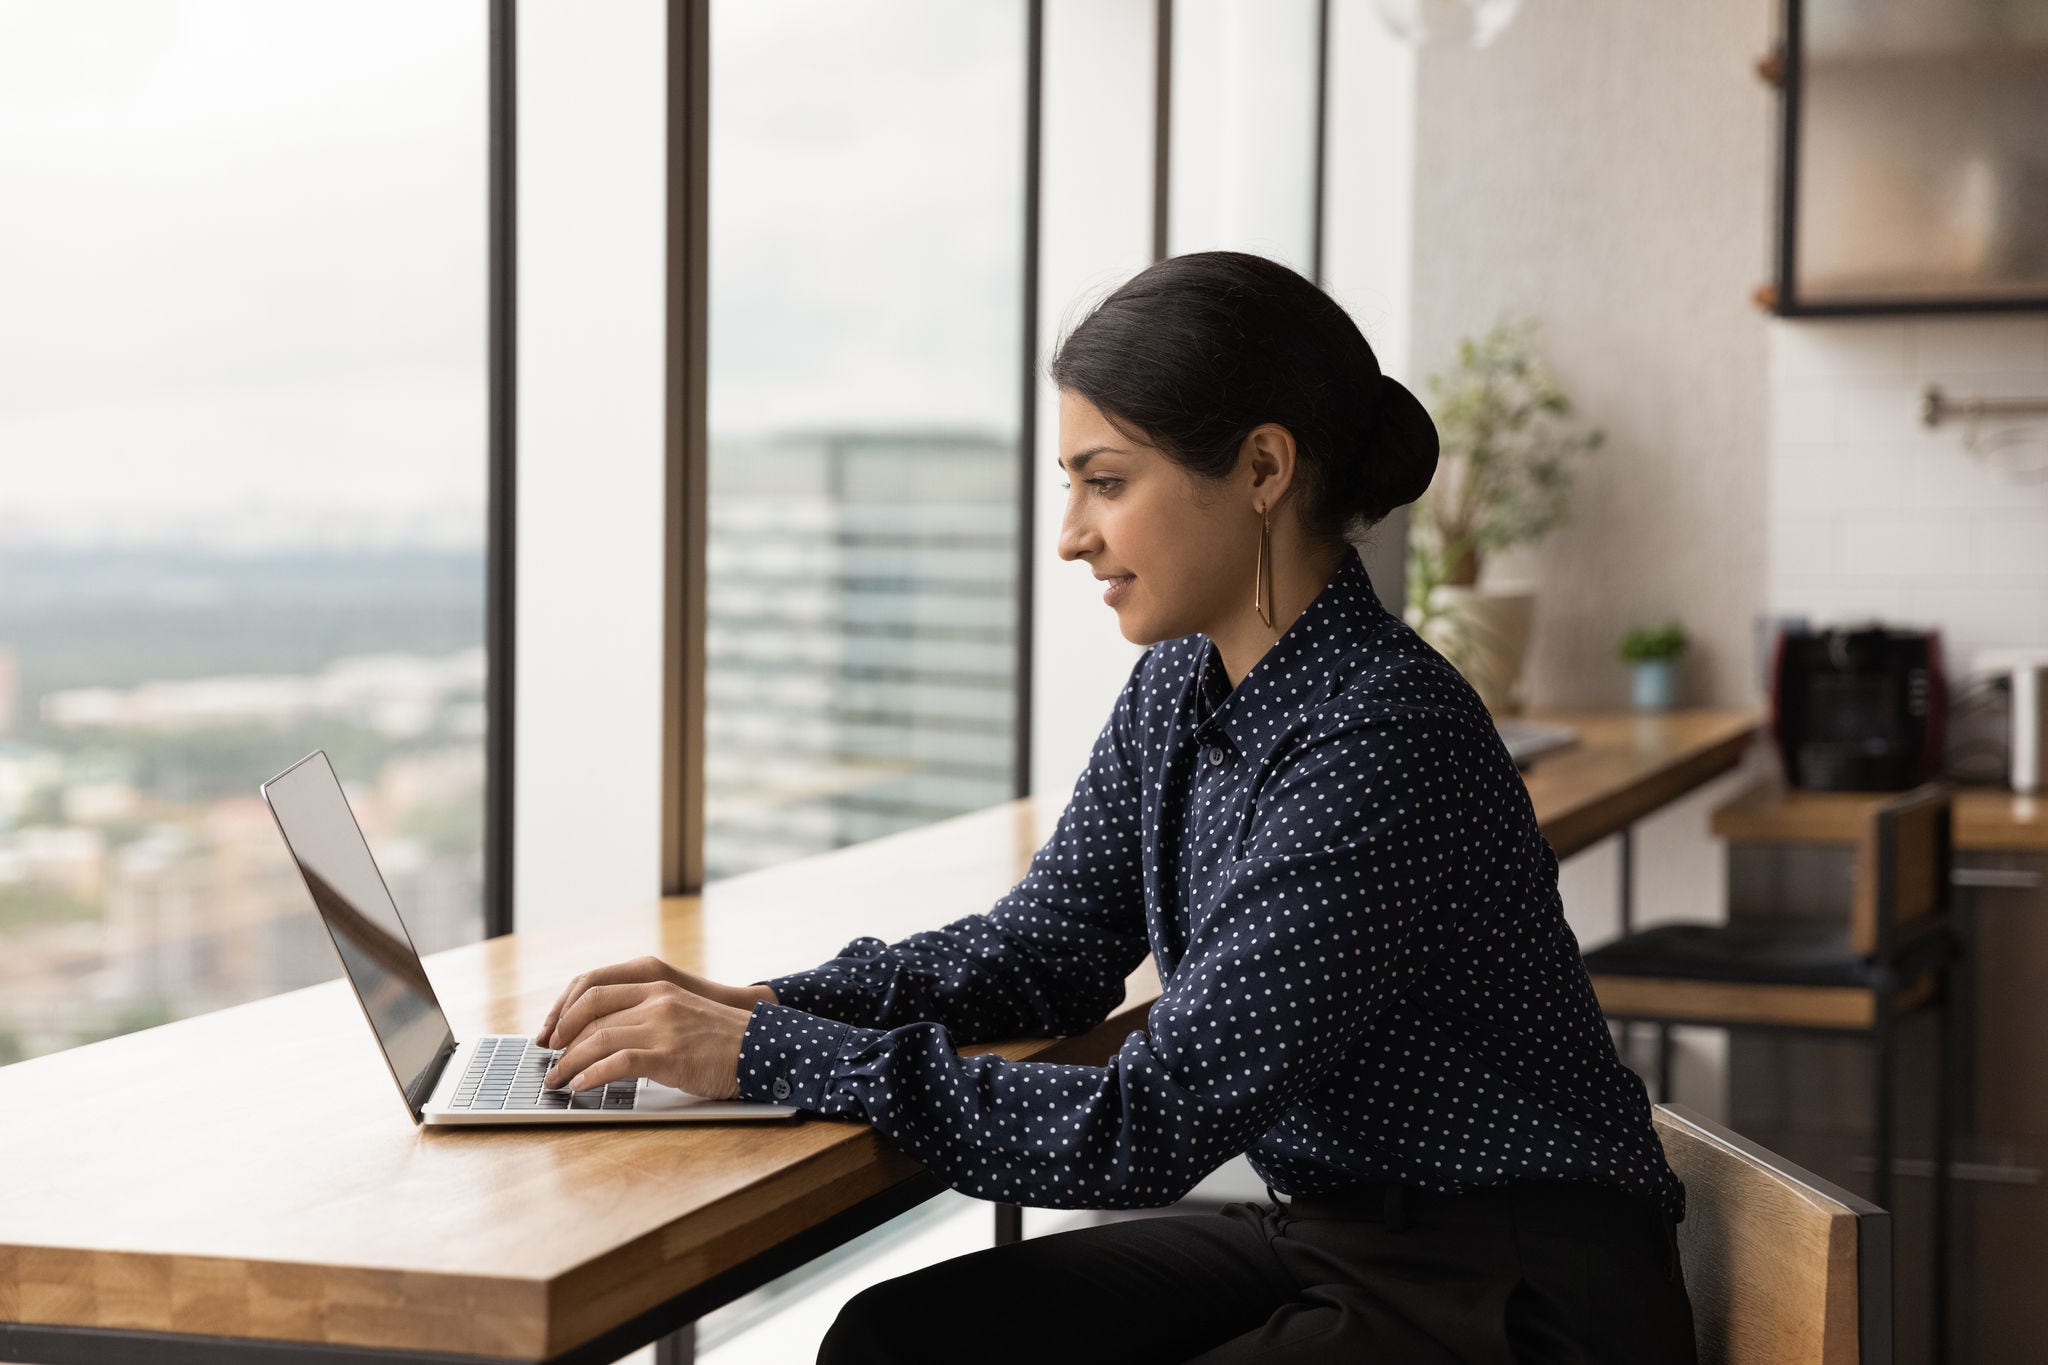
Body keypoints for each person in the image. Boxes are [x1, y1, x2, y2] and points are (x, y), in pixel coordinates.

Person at [534, 251, 1699, 1363]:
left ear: (1259, 470)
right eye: (1072, 485)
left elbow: (1144, 1125)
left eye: (1106, 481)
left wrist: (771, 1055)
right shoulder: (1180, 686)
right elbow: (1039, 952)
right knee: (903, 1344)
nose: (1070, 535)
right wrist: (761, 1005)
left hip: (1515, 1295)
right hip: (1342, 1233)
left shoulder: (1379, 739)